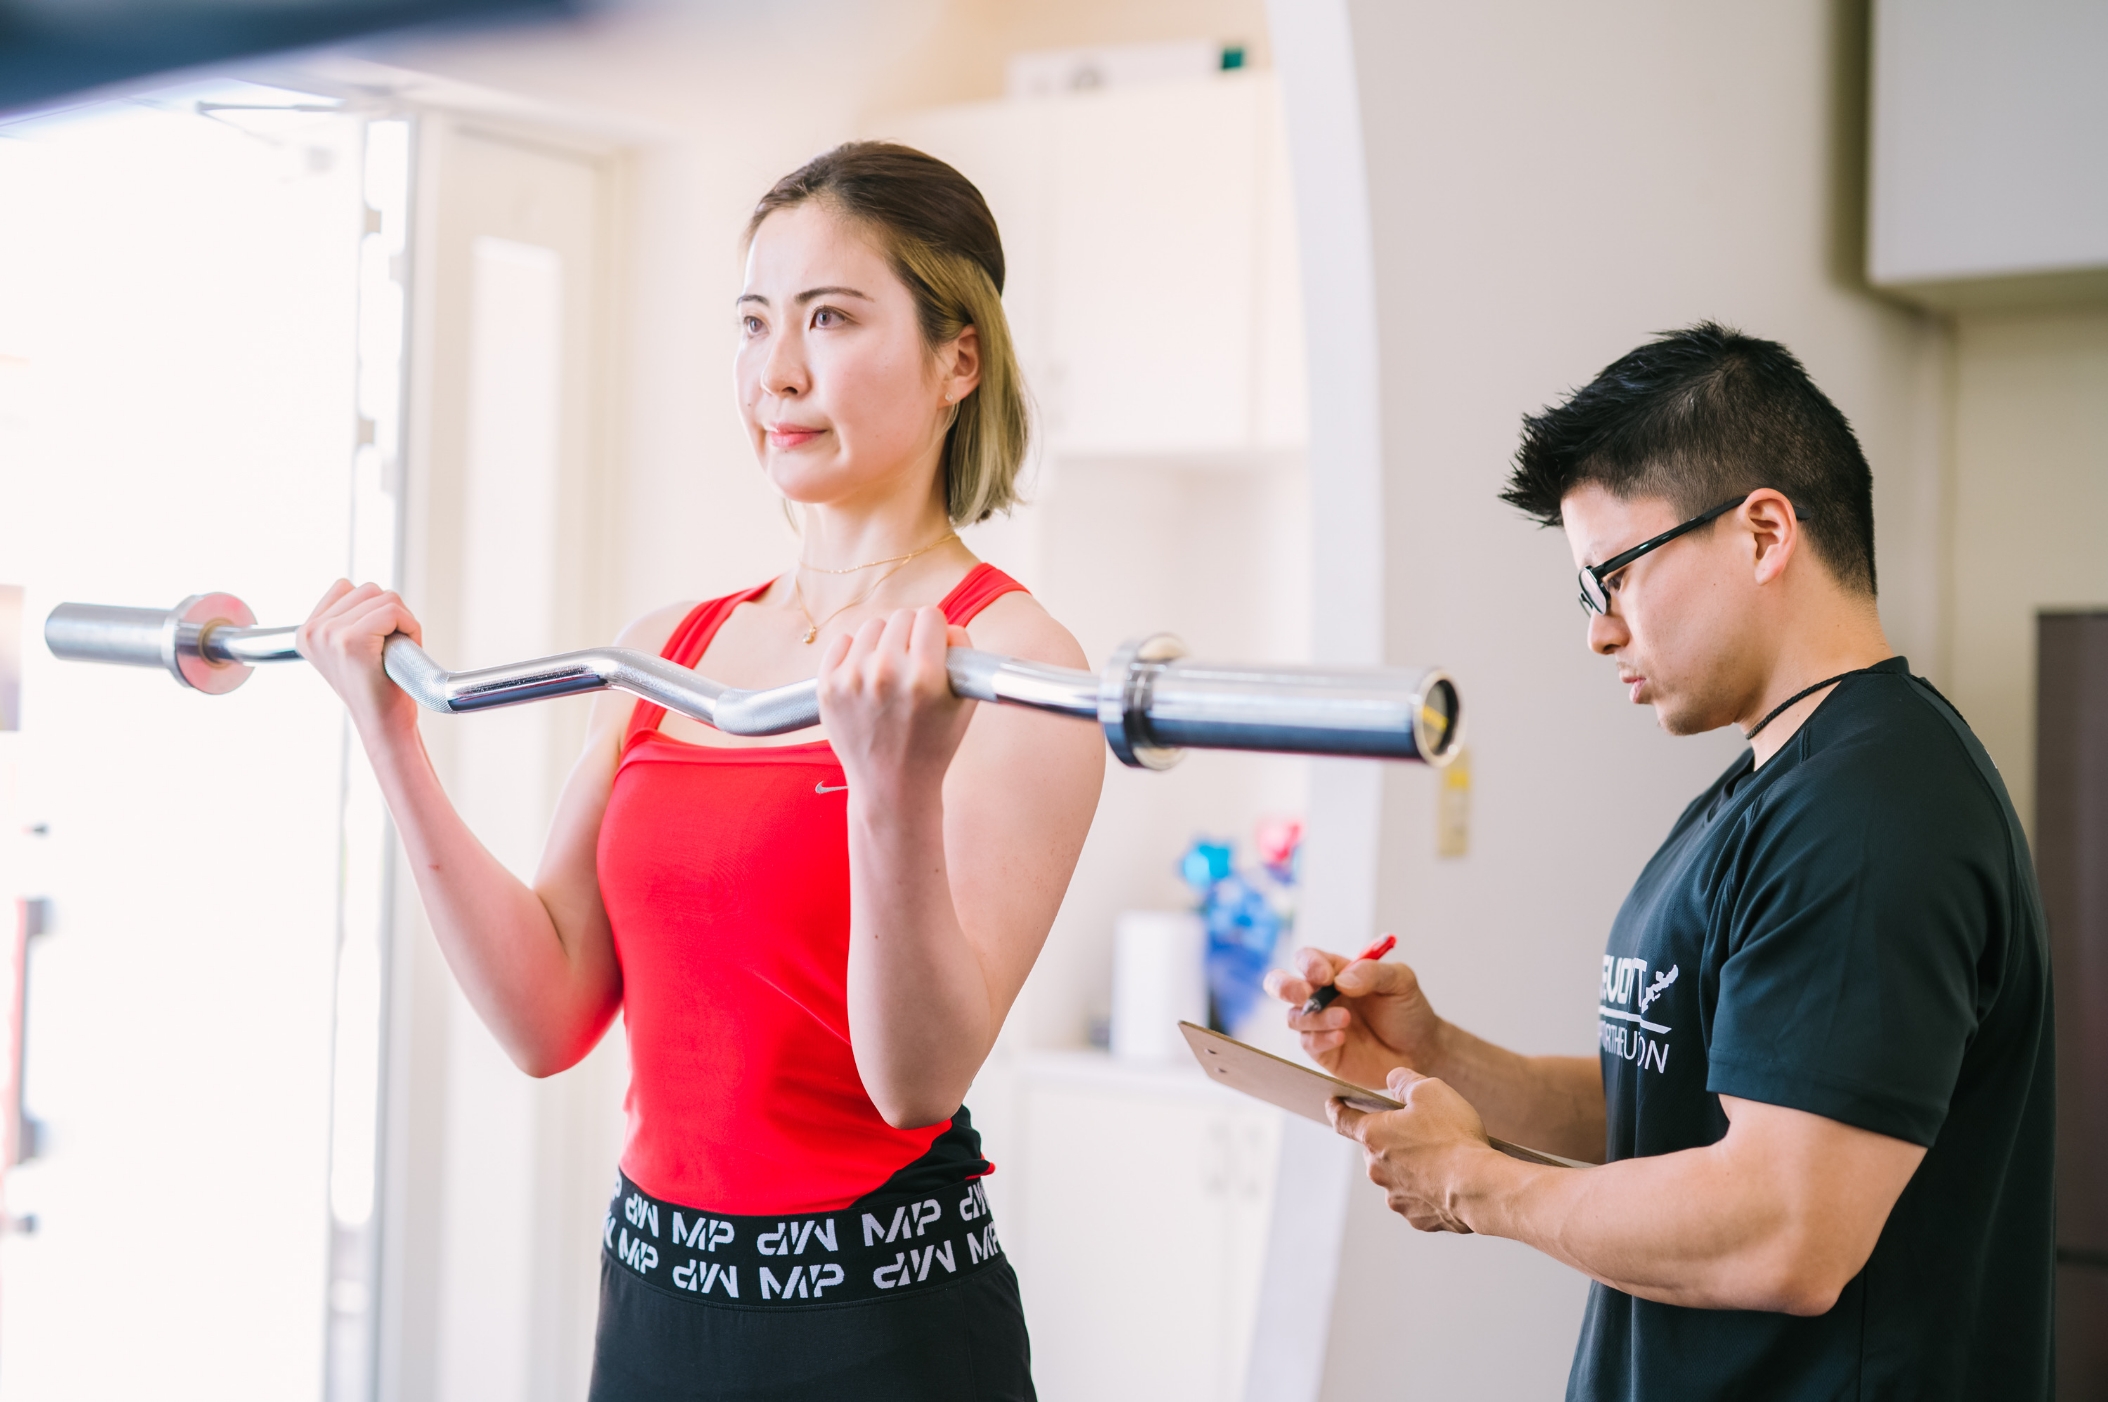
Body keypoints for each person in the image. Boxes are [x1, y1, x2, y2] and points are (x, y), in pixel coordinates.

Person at [300, 142, 1103, 1401]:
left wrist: (888, 787)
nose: (775, 372)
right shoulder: (669, 649)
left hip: (885, 1329)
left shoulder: (1013, 663)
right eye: (753, 322)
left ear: (959, 358)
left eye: (830, 319)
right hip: (653, 1307)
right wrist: (388, 735)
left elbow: (913, 1080)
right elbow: (545, 1012)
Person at [1267, 324, 2054, 1400]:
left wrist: (1474, 1185)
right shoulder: (1769, 787)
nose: (1598, 634)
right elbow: (1682, 1100)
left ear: (1763, 531)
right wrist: (1436, 1056)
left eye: (1614, 579)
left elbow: (1786, 1229)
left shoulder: (1873, 811)